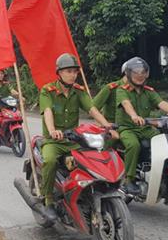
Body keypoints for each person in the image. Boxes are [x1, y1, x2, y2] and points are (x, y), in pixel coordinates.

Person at [39, 53, 117, 219]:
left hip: (74, 139)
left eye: (75, 71)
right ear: (59, 73)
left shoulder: (79, 91)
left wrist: (107, 125)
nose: (72, 74)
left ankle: (87, 191)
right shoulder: (48, 90)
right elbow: (47, 111)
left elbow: (92, 109)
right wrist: (53, 130)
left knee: (95, 155)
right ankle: (48, 199)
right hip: (54, 140)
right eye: (68, 71)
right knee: (50, 161)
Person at [116, 57, 168, 194]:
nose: (140, 76)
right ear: (128, 74)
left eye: (142, 72)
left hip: (145, 127)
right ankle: (129, 180)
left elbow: (161, 104)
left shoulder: (149, 91)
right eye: (136, 73)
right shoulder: (122, 90)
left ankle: (164, 173)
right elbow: (126, 104)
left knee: (163, 141)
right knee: (133, 145)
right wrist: (134, 116)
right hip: (127, 128)